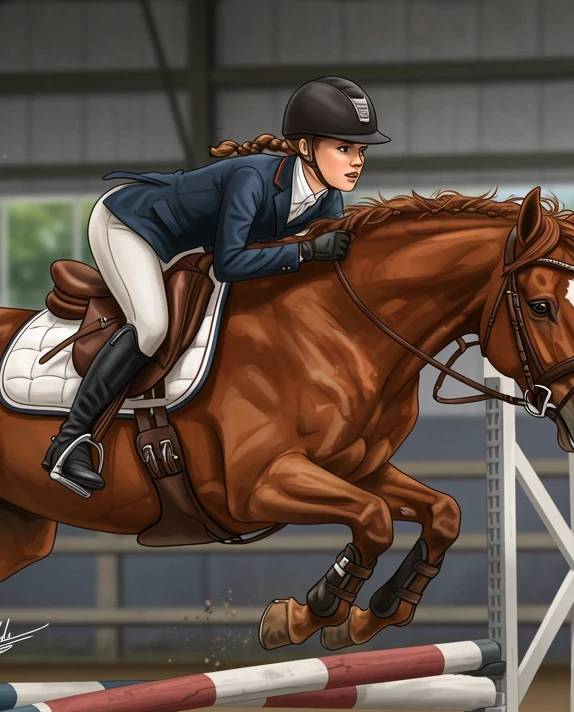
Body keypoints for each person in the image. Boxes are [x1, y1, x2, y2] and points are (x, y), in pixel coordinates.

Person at [42, 76, 391, 497]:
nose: (357, 161)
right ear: (304, 148)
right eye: (344, 148)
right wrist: (305, 253)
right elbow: (230, 264)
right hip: (132, 226)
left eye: (361, 151)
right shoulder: (253, 179)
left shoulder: (328, 201)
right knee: (152, 326)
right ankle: (70, 441)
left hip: (189, 246)